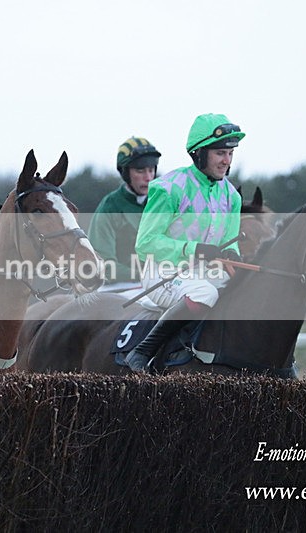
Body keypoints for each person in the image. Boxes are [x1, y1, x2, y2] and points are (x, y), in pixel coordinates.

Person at [124, 113, 245, 372]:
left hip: (204, 272)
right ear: (199, 153)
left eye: (230, 153)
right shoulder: (169, 188)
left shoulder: (232, 196)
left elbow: (229, 243)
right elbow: (145, 242)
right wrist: (194, 250)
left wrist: (233, 255)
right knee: (205, 293)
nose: (226, 161)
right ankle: (142, 352)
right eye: (220, 153)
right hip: (162, 272)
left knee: (249, 289)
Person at [88, 137, 161, 288]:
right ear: (126, 173)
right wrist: (145, 276)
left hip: (163, 281)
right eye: (140, 171)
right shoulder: (110, 207)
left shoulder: (162, 201)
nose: (148, 178)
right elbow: (103, 265)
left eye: (151, 170)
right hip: (120, 286)